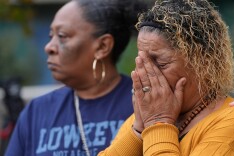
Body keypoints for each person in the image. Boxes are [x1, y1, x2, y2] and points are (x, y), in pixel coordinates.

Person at [97, 0, 234, 155]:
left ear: (204, 62)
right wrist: (138, 131)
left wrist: (158, 124)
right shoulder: (143, 117)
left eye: (160, 64)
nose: (143, 74)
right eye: (141, 62)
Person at [5, 0, 146, 155]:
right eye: (50, 36)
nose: (49, 47)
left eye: (62, 36)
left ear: (102, 46)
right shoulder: (36, 112)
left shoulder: (143, 104)